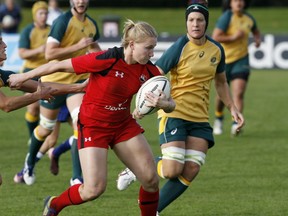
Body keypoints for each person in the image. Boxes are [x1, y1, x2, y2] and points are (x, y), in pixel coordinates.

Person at [9, 18, 176, 216]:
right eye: (148, 48)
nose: (151, 53)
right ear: (132, 44)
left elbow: (171, 104)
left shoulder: (148, 70)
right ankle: (54, 204)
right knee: (93, 189)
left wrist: (164, 104)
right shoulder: (107, 58)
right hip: (93, 125)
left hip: (122, 125)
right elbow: (58, 65)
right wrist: (23, 77)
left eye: (154, 48)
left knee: (150, 180)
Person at [116, 2, 245, 215]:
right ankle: (135, 168)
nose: (195, 24)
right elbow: (154, 74)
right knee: (172, 169)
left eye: (200, 20)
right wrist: (142, 105)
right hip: (174, 112)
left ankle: (154, 211)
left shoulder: (216, 49)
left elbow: (221, 82)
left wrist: (232, 108)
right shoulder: (179, 47)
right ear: (186, 23)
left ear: (206, 22)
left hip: (200, 118)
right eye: (191, 20)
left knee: (192, 167)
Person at [13, 0, 102, 186]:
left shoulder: (92, 24)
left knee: (80, 123)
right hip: (54, 82)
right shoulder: (62, 22)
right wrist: (77, 46)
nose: (81, 1)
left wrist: (106, 60)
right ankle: (29, 163)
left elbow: (93, 48)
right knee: (46, 128)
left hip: (78, 82)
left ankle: (77, 178)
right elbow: (50, 54)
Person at [212, 0, 261, 136]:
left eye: (241, 0)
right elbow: (216, 36)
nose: (238, 3)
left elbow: (256, 31)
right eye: (235, 0)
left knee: (238, 93)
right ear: (230, 3)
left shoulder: (249, 18)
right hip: (224, 60)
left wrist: (257, 39)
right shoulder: (226, 17)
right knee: (221, 95)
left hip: (242, 59)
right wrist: (234, 37)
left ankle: (236, 123)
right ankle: (219, 118)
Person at [18, 1, 50, 138]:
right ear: (34, 15)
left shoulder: (52, 29)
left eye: (45, 13)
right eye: (40, 13)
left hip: (48, 72)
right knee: (33, 107)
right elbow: (22, 53)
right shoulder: (28, 31)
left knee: (49, 109)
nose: (43, 16)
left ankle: (44, 138)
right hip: (29, 72)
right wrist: (39, 50)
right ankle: (33, 137)